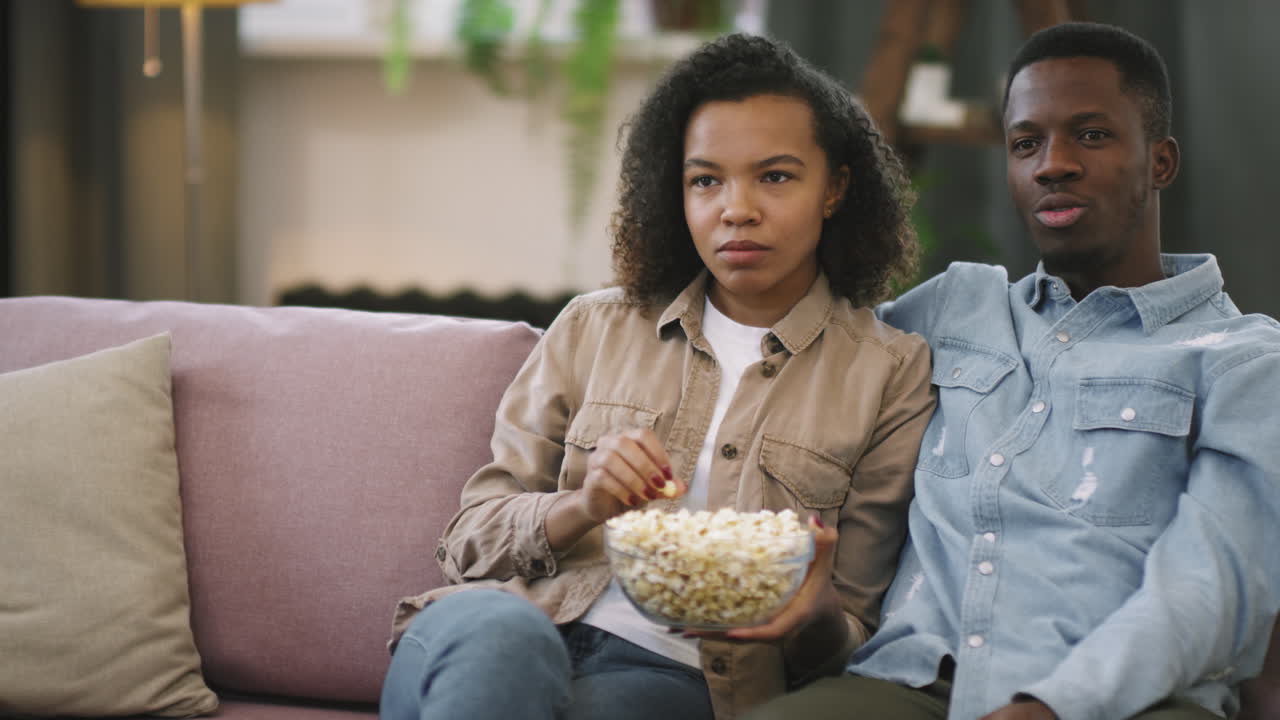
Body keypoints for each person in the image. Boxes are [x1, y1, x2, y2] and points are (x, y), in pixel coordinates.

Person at [378, 33, 937, 720]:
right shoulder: (595, 326)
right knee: (506, 645)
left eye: (776, 176)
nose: (737, 208)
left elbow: (846, 629)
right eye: (706, 180)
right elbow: (467, 544)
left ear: (836, 188)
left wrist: (812, 608)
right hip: (499, 629)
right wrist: (582, 506)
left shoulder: (890, 373)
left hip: (674, 675)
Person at [744, 21, 1280, 720]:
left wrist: (1049, 706)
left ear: (1161, 162)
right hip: (912, 683)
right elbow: (784, 336)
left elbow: (1208, 588)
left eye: (1091, 135)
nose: (1051, 164)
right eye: (1026, 143)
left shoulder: (1244, 362)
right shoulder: (951, 308)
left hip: (1134, 700)